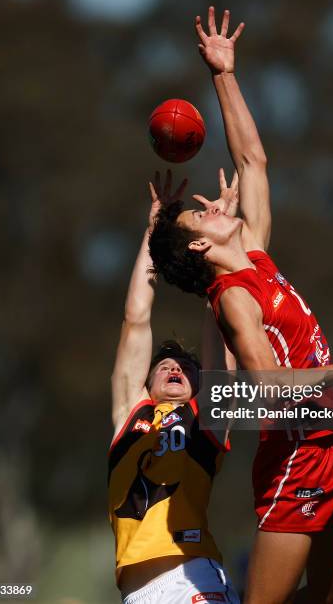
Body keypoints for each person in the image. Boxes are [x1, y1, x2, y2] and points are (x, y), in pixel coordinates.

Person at [148, 7, 333, 604]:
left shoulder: (255, 259)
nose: (215, 203)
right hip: (294, 459)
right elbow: (264, 388)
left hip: (330, 446)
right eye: (202, 212)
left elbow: (254, 161)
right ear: (198, 244)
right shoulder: (235, 296)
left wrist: (223, 75)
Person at [109, 170, 240, 604]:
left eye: (185, 368)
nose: (175, 368)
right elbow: (136, 318)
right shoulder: (133, 413)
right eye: (164, 364)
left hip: (192, 580)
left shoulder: (207, 419)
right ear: (144, 382)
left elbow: (222, 325)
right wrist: (155, 232)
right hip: (135, 593)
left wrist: (218, 244)